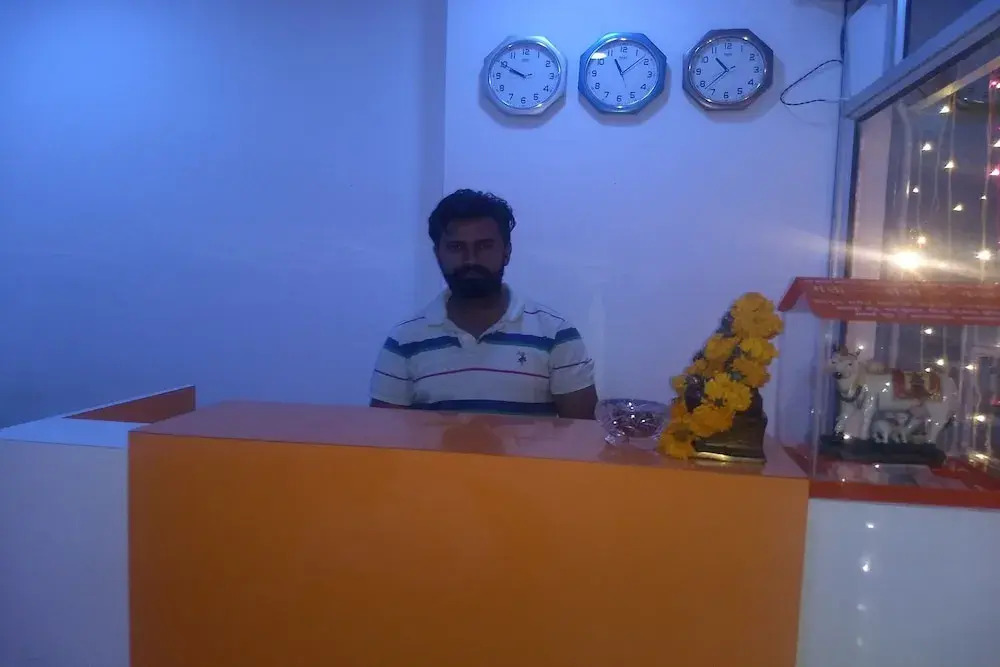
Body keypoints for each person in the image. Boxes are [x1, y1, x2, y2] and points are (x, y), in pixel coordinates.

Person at [370, 189, 598, 419]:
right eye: (456, 247)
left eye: (484, 246)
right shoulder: (404, 340)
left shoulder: (555, 333)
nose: (470, 259)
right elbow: (384, 433)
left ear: (506, 251)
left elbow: (584, 431)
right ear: (437, 254)